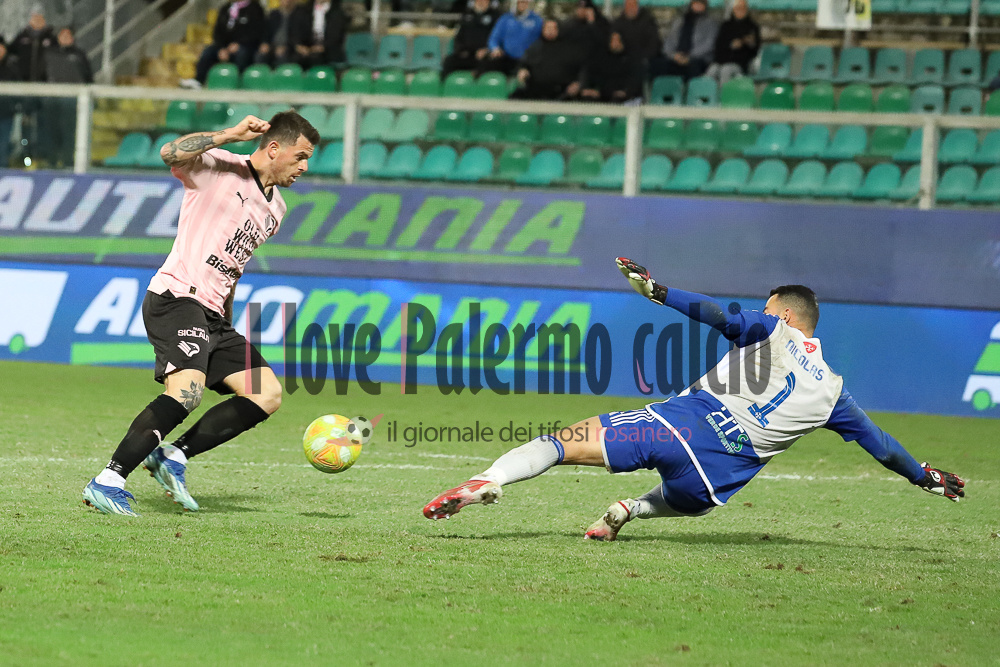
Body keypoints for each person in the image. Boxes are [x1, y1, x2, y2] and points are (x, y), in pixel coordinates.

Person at [422, 257, 966, 539]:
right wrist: (927, 476)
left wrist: (659, 292)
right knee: (683, 501)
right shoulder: (834, 393)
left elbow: (717, 313)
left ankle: (488, 481)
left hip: (678, 423)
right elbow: (883, 447)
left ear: (784, 313)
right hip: (710, 480)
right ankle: (629, 510)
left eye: (768, 304)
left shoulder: (772, 329)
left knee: (559, 444)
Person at [82, 111, 320, 517]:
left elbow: (235, 264)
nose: (305, 167)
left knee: (266, 393)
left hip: (213, 313)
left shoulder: (276, 209)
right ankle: (109, 479)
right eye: (300, 156)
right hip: (176, 297)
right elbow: (169, 151)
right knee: (187, 391)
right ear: (274, 148)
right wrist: (229, 135)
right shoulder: (219, 166)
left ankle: (173, 455)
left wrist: (225, 319)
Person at [43, 26, 93, 167]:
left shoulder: (79, 55)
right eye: (62, 35)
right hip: (52, 100)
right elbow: (41, 76)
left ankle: (68, 161)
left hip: (72, 101)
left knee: (69, 132)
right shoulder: (49, 54)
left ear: (72, 38)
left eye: (68, 35)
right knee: (51, 132)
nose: (65, 38)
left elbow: (88, 77)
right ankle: (51, 161)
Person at [193, 0, 267, 86]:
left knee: (242, 54)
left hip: (247, 46)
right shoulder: (225, 9)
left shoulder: (255, 8)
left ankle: (237, 83)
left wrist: (239, 44)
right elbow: (217, 32)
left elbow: (256, 32)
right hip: (225, 47)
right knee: (208, 52)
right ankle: (198, 81)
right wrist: (222, 48)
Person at [510, 19, 584, 101]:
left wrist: (578, 83)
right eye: (547, 28)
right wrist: (522, 70)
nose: (550, 31)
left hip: (562, 92)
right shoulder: (535, 47)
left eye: (553, 28)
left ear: (558, 30)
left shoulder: (568, 49)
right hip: (535, 91)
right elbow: (523, 64)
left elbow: (579, 69)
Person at [650, 0, 718, 81]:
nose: (698, 6)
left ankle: (692, 92)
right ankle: (663, 91)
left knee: (693, 66)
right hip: (677, 56)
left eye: (700, 4)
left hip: (698, 58)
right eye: (696, 3)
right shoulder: (679, 21)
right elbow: (669, 41)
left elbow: (709, 44)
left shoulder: (711, 23)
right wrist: (674, 55)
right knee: (658, 63)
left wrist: (688, 56)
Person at [479, 0, 542, 77]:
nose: (522, 4)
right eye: (519, 2)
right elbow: (494, 38)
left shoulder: (537, 20)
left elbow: (542, 39)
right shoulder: (505, 18)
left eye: (524, 2)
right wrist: (495, 48)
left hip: (528, 61)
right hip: (507, 59)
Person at [442, 0, 501, 77]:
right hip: (467, 54)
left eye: (484, 0)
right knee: (449, 62)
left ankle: (478, 86)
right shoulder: (467, 14)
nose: (481, 2)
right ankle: (444, 86)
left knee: (488, 64)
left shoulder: (495, 16)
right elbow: (459, 37)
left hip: (484, 55)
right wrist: (462, 51)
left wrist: (487, 50)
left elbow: (498, 38)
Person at [580, 31, 643, 103]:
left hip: (623, 96)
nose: (615, 43)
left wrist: (626, 92)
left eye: (618, 40)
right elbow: (594, 76)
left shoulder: (631, 60)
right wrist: (590, 90)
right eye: (613, 40)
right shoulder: (602, 59)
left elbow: (634, 81)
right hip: (603, 95)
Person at [708, 0, 759, 84]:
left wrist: (746, 44)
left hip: (740, 63)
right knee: (712, 70)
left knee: (726, 70)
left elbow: (754, 50)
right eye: (738, 8)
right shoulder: (725, 26)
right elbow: (719, 46)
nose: (740, 10)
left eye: (743, 8)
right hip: (722, 60)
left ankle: (724, 95)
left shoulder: (752, 27)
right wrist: (730, 45)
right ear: (733, 9)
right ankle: (709, 95)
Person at [287, 0, 348, 68]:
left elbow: (336, 37)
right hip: (307, 48)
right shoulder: (304, 10)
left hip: (328, 50)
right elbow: (295, 31)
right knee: (295, 58)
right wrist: (299, 45)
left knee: (316, 59)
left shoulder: (337, 12)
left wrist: (322, 47)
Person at [9, 3, 55, 82]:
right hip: (22, 81)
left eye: (40, 17)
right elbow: (10, 53)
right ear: (30, 20)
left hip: (45, 82)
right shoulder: (22, 36)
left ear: (44, 20)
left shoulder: (51, 38)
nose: (37, 20)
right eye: (35, 17)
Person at [610, 0, 661, 65]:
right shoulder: (618, 22)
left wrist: (642, 58)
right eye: (628, 6)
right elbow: (613, 42)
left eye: (633, 5)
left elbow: (654, 44)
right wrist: (616, 46)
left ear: (637, 6)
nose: (630, 8)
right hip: (624, 60)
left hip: (645, 60)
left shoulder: (648, 21)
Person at [256, 0, 299, 67]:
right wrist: (265, 42)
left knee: (281, 57)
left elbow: (296, 36)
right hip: (272, 45)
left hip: (288, 46)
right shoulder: (274, 14)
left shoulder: (298, 14)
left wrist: (286, 47)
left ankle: (280, 77)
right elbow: (266, 31)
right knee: (260, 55)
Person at [0, 37, 20, 169]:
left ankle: (2, 168)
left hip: (5, 113)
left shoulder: (11, 66)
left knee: (3, 144)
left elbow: (19, 87)